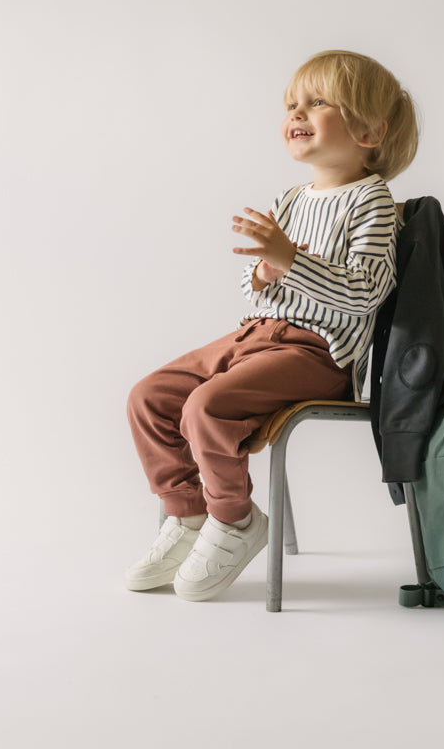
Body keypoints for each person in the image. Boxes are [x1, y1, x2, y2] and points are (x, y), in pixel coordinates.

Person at [124, 50, 419, 601]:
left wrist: (290, 262)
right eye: (291, 104)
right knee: (150, 396)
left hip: (318, 355)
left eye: (317, 102)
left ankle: (234, 520)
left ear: (370, 131)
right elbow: (252, 287)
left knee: (206, 408)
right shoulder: (289, 199)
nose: (296, 112)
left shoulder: (372, 201)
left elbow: (365, 292)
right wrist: (261, 273)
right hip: (256, 336)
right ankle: (187, 513)